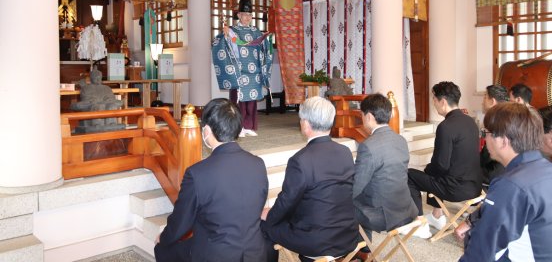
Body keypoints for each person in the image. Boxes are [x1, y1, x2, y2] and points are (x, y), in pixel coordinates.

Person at [155, 98, 270, 262]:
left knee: (163, 249)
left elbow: (181, 222)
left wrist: (163, 237)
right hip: (255, 253)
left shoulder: (197, 174)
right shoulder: (258, 164)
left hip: (215, 256)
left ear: (207, 130)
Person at [261, 96, 358, 261]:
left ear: (305, 124)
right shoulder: (345, 152)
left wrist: (268, 216)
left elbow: (287, 202)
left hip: (316, 242)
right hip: (348, 237)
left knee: (264, 224)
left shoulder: (301, 160)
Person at [457, 102, 552, 261]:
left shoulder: (511, 185)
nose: (484, 138)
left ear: (503, 140)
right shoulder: (544, 168)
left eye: (486, 132)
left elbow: (482, 252)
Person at [407, 81, 482, 238]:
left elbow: (441, 165)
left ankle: (419, 223)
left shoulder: (446, 126)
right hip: (475, 186)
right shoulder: (470, 121)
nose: (434, 103)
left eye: (434, 99)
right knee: (434, 172)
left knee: (410, 175)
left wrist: (427, 171)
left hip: (456, 189)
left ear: (442, 101)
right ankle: (436, 216)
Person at [353, 94, 418, 242]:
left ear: (369, 116)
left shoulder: (368, 146)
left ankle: (360, 252)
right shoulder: (400, 140)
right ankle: (364, 250)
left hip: (383, 216)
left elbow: (356, 186)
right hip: (406, 209)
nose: (362, 119)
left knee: (343, 203)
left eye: (362, 115)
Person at [211, 0, 273, 137]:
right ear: (238, 15)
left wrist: (267, 39)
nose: (247, 18)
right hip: (239, 71)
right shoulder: (232, 30)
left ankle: (249, 126)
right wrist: (225, 35)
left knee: (251, 101)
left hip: (254, 71)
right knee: (238, 101)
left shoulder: (256, 31)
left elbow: (264, 47)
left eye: (250, 15)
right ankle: (238, 128)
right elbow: (219, 43)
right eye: (244, 15)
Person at [480, 84, 509, 184]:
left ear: (492, 101)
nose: (482, 102)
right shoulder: (506, 117)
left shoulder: (498, 122)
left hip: (494, 178)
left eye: (484, 97)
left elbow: (495, 163)